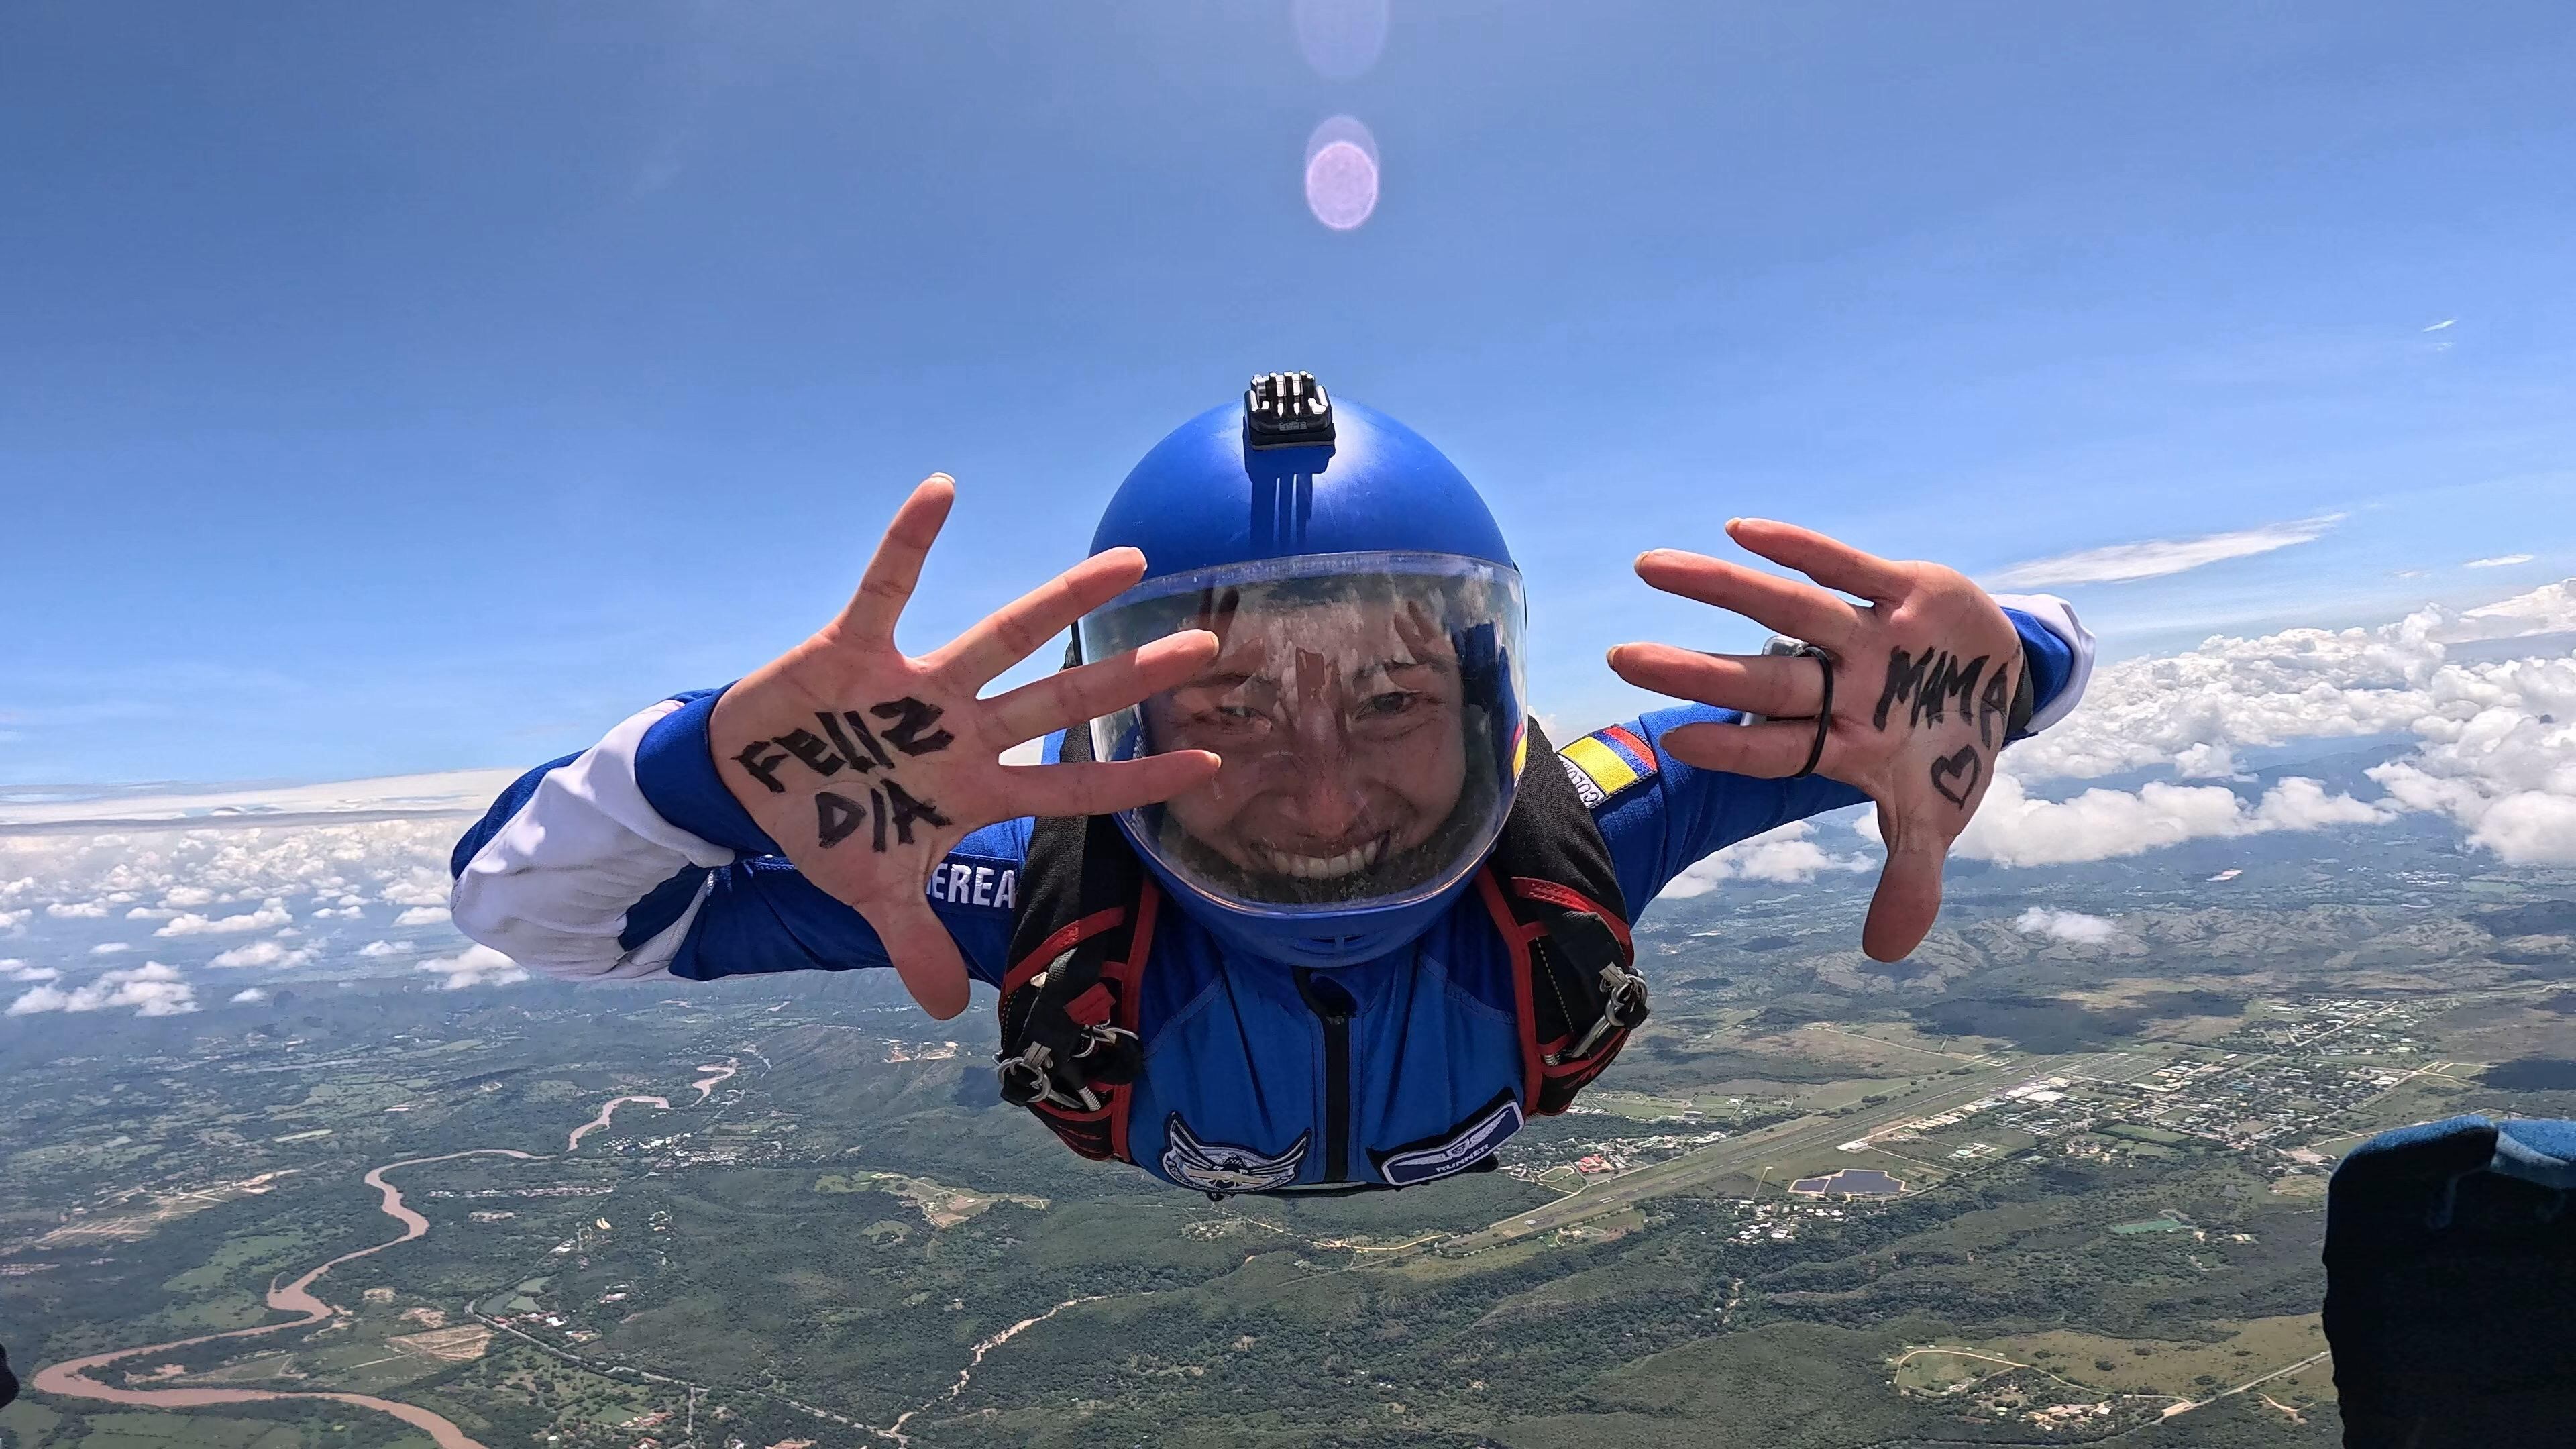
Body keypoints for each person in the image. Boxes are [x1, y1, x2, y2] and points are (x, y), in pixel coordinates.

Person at [451, 374, 2093, 1195]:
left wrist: (1991, 668)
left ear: (1486, 704)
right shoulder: (997, 864)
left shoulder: (1591, 804)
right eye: (1226, 707)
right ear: (1112, 721)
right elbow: (533, 907)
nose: (1322, 802)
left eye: (1386, 700)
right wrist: (719, 764)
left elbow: (2057, 660)